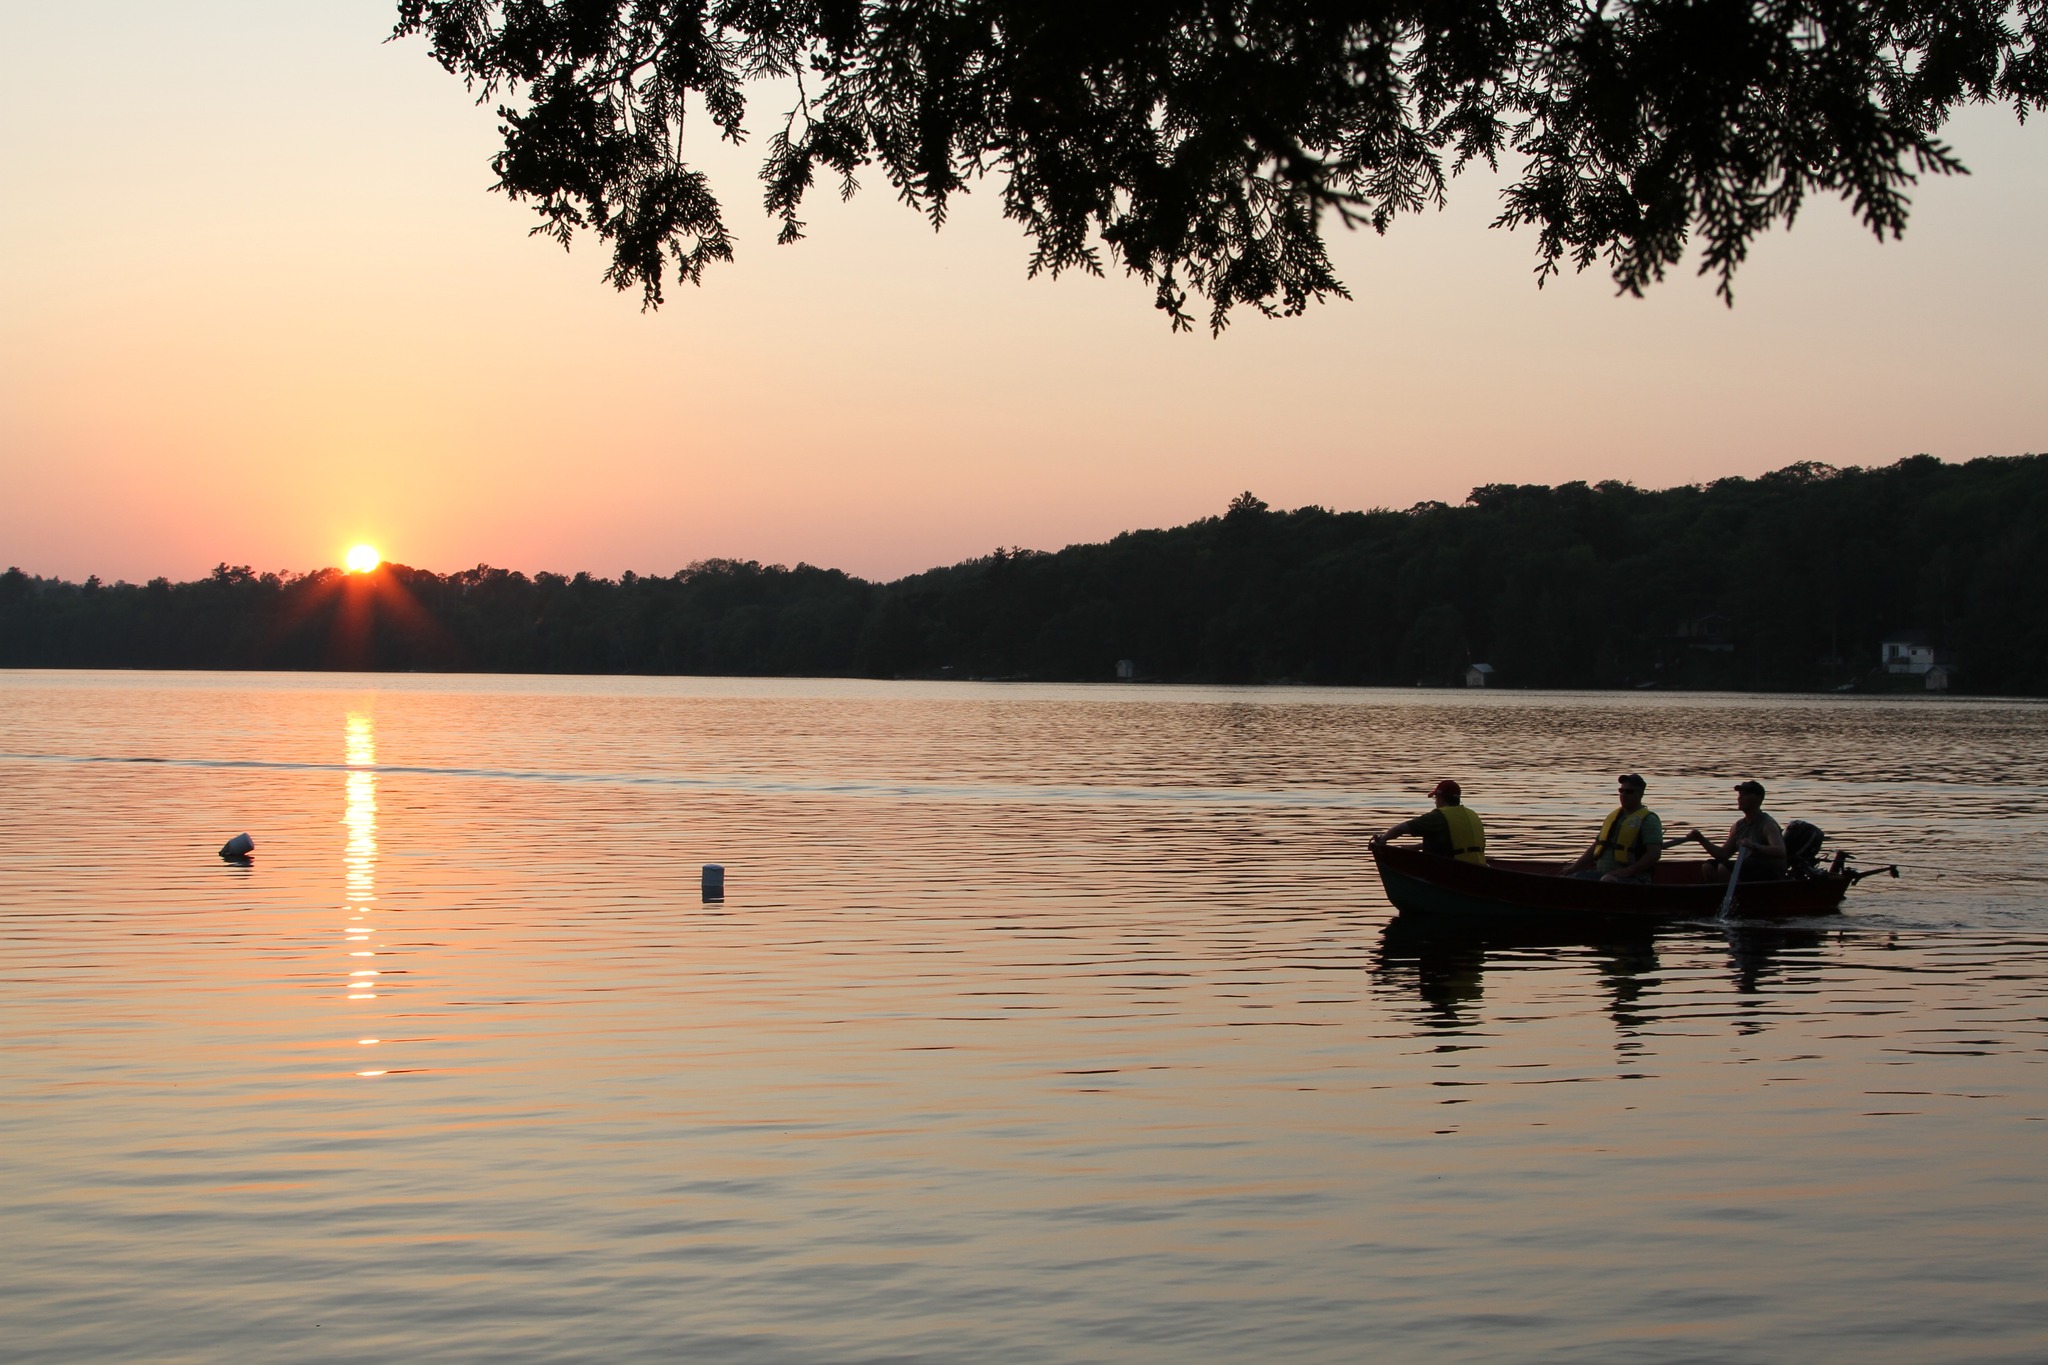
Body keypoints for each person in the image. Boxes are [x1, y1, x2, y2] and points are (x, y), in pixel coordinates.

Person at [1563, 774, 1664, 883]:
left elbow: (1654, 854)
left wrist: (1628, 871)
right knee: (1569, 879)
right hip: (1602, 874)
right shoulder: (1614, 817)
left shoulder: (1649, 820)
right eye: (1621, 791)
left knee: (1607, 880)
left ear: (1640, 794)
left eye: (1629, 792)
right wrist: (1574, 867)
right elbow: (1597, 846)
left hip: (1633, 878)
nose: (1624, 795)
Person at [1680, 780, 1788, 881]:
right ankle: (1720, 896)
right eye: (1739, 795)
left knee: (1724, 868)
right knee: (1708, 866)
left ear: (1758, 798)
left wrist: (1754, 846)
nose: (1740, 798)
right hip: (1749, 867)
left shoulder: (1767, 824)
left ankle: (1738, 898)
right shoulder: (1738, 826)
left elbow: (1781, 851)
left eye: (1744, 795)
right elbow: (1723, 854)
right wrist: (1701, 839)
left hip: (1768, 871)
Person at [1371, 779, 1486, 864]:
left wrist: (1382, 839)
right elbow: (1456, 843)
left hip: (1454, 871)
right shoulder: (1472, 815)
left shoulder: (1438, 817)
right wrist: (1418, 846)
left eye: (1435, 798)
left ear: (1441, 799)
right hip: (1479, 868)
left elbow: (1401, 828)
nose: (1435, 802)